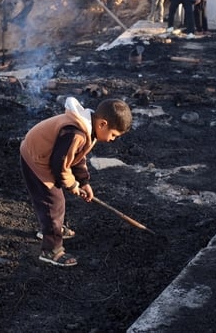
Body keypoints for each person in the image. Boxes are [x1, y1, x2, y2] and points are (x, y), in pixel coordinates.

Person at [20, 97, 133, 267]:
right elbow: (60, 166)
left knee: (54, 203)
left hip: (43, 156)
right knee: (53, 203)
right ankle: (51, 250)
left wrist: (84, 182)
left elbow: (77, 158)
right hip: (36, 159)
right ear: (102, 124)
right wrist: (72, 185)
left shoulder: (87, 129)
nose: (112, 140)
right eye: (113, 135)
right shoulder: (76, 133)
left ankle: (53, 230)